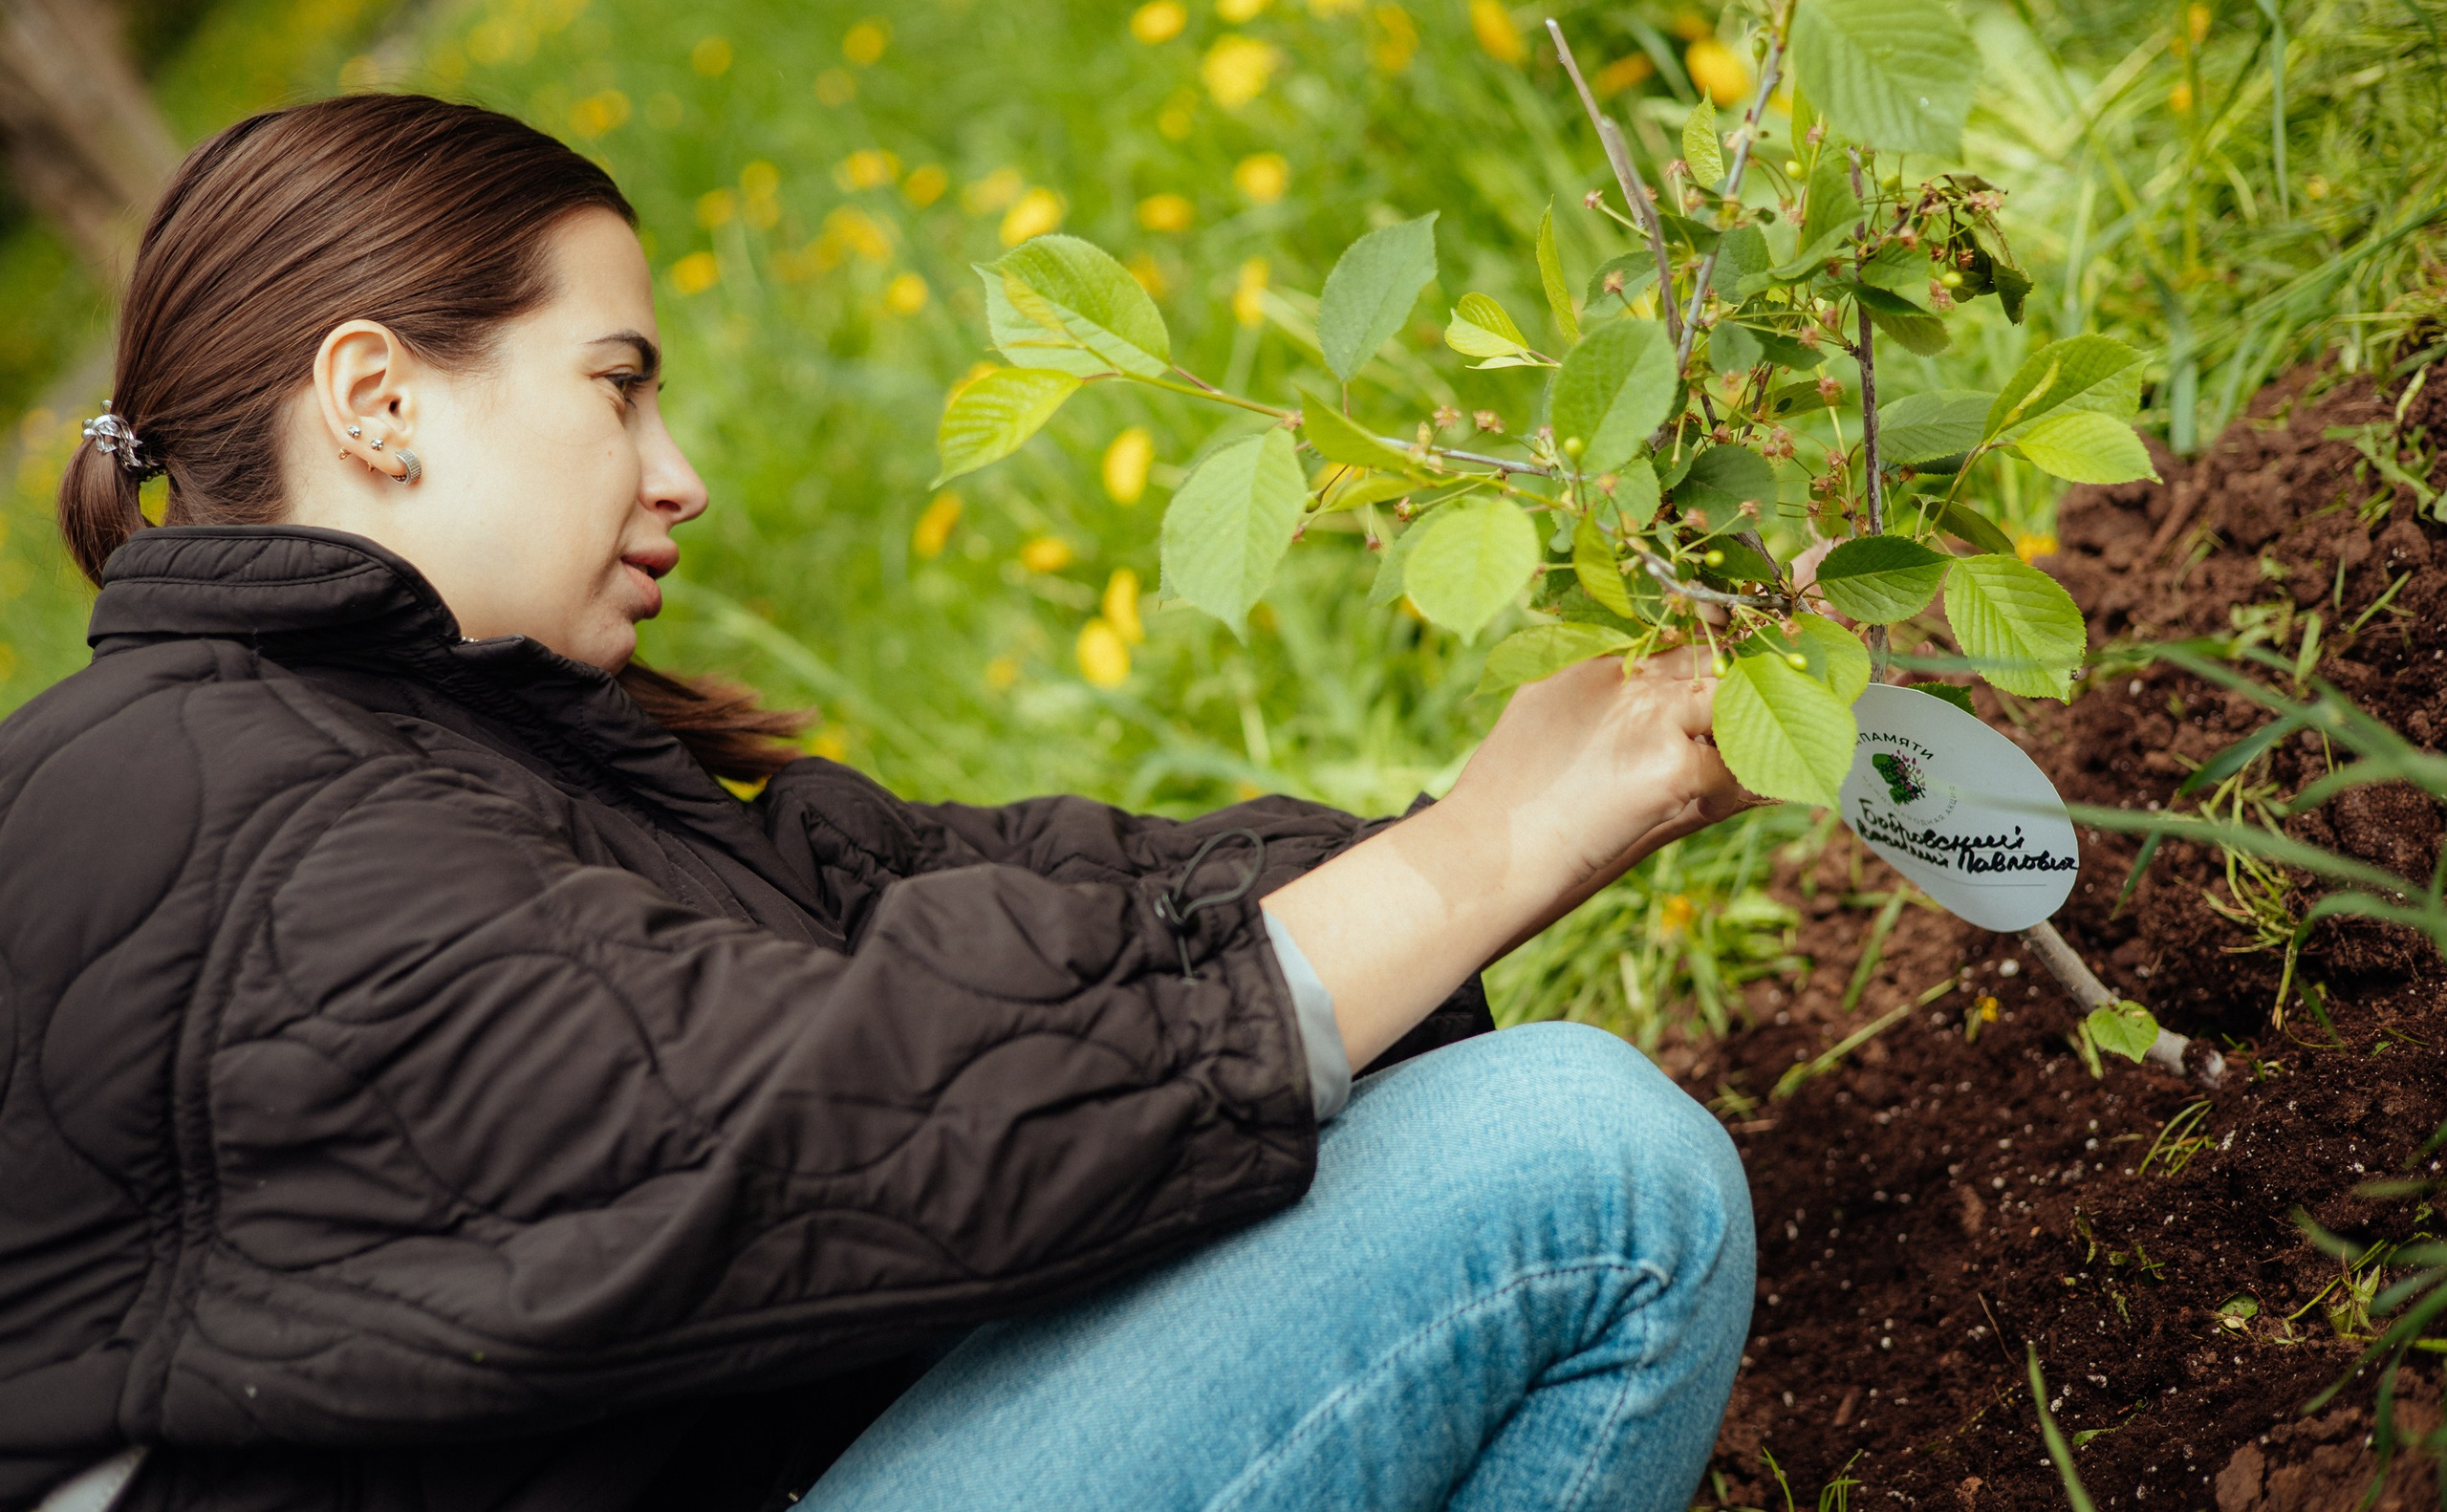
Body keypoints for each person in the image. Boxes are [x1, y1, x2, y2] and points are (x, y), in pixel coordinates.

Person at [0, 94, 1754, 1512]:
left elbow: (985, 910)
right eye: (620, 384)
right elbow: (835, 1121)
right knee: (1577, 1177)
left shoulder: (427, 737)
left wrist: (1508, 823)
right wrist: (1488, 849)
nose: (680, 475)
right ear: (380, 401)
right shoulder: (197, 809)